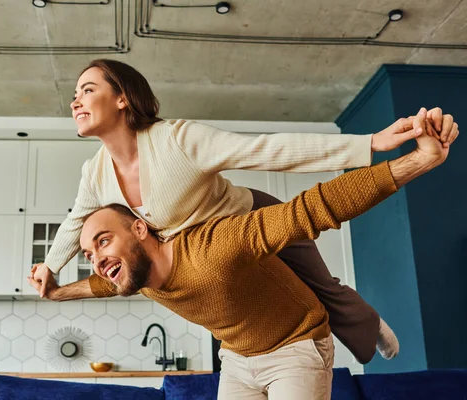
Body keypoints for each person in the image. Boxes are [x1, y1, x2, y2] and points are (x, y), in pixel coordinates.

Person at [30, 59, 459, 363]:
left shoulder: (176, 140)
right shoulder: (96, 172)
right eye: (74, 95)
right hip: (206, 256)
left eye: (88, 90)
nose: (76, 101)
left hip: (248, 220)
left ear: (122, 99)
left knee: (320, 287)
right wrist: (51, 267)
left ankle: (367, 324)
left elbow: (266, 150)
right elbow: (76, 222)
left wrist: (370, 143)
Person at [29, 128, 453, 399]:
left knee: (323, 282)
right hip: (237, 359)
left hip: (293, 342)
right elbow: (102, 282)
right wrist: (56, 290)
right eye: (90, 255)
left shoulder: (208, 229)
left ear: (141, 229)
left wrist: (415, 159)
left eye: (104, 241)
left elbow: (312, 203)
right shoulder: (135, 271)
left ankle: (364, 320)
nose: (98, 260)